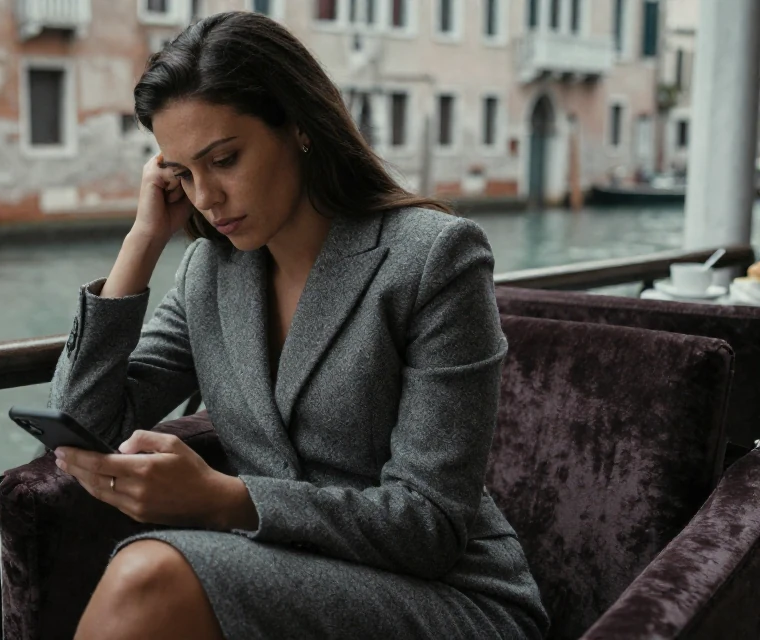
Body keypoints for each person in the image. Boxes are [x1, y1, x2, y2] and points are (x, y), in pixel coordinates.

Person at [47, 11, 548, 640]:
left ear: (301, 128)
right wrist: (144, 239)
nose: (205, 197)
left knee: (151, 576)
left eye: (223, 159)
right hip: (282, 571)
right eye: (181, 174)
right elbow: (80, 424)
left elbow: (431, 527)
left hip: (447, 595)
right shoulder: (210, 271)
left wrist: (224, 498)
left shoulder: (434, 258)